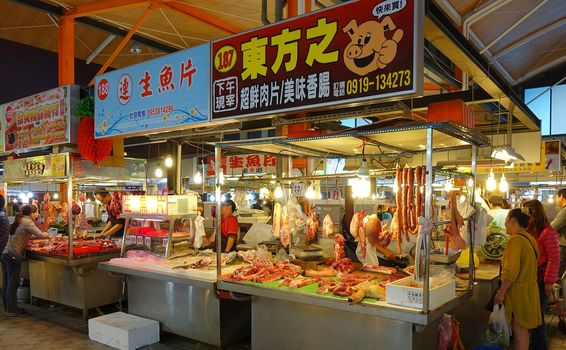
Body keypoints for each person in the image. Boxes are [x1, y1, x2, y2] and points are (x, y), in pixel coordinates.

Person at [494, 208, 541, 350]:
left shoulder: (515, 240)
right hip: (530, 291)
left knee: (519, 331)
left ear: (512, 220)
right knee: (524, 332)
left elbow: (511, 272)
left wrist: (501, 292)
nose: (505, 224)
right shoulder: (529, 238)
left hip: (519, 294)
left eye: (507, 221)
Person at [523, 199, 560, 350]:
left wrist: (549, 282)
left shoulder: (548, 232)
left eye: (528, 215)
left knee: (538, 318)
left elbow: (554, 258)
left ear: (535, 214)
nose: (526, 219)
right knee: (533, 317)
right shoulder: (531, 230)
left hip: (541, 280)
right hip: (532, 279)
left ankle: (540, 347)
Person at [1, 204, 48, 316]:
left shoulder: (20, 219)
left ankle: (8, 307)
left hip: (5, 253)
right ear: (31, 213)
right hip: (13, 254)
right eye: (36, 212)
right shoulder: (28, 222)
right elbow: (41, 235)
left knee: (7, 281)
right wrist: (48, 234)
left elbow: (24, 234)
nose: (37, 215)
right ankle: (12, 309)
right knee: (13, 282)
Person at [550, 188, 566, 283]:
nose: (556, 200)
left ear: (561, 196)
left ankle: (559, 295)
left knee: (559, 276)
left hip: (564, 246)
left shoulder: (565, 211)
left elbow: (553, 227)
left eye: (557, 197)